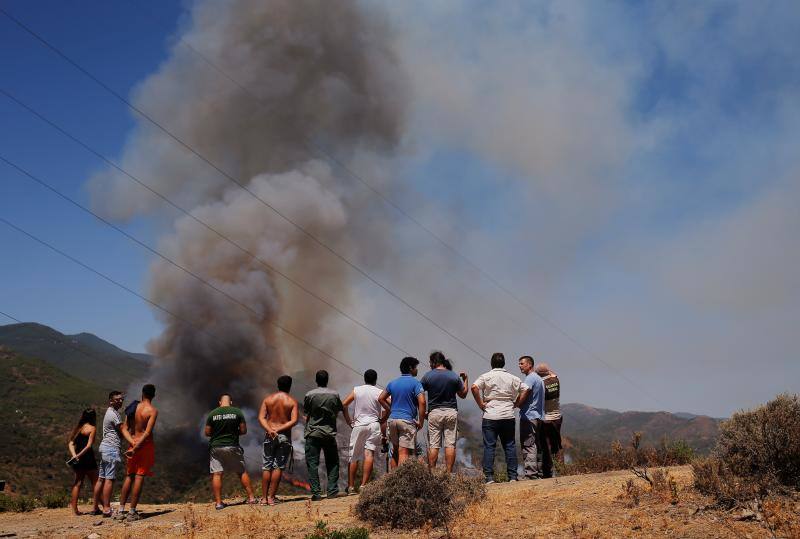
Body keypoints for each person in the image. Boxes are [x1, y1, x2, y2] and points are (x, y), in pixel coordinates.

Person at [471, 353, 527, 483]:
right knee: (510, 445)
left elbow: (474, 387)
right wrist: (517, 403)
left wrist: (480, 404)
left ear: (491, 363)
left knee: (489, 446)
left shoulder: (486, 376)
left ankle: (489, 477)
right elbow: (526, 389)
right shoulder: (512, 377)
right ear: (504, 363)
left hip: (490, 414)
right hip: (508, 414)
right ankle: (513, 477)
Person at [304, 370, 351, 500]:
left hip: (313, 434)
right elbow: (339, 409)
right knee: (333, 463)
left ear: (316, 380)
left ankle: (316, 493)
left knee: (312, 464)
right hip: (329, 434)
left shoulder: (309, 395)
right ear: (327, 380)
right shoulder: (334, 395)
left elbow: (307, 412)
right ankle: (332, 491)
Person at [205, 393, 257, 510]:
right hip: (233, 446)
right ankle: (252, 498)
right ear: (231, 402)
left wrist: (219, 434)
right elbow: (243, 431)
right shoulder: (237, 412)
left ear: (219, 402)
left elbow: (207, 433)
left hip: (216, 447)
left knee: (217, 474)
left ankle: (218, 503)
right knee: (241, 472)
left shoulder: (212, 414)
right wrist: (233, 433)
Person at [116, 384, 158, 521]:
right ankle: (132, 512)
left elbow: (124, 428)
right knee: (139, 477)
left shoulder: (133, 407)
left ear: (142, 393)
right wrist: (137, 447)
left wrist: (132, 443)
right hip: (144, 446)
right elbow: (147, 433)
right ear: (153, 396)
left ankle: (120, 510)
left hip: (132, 443)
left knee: (129, 476)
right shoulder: (152, 411)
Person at [421, 351, 468, 472]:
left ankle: (432, 473)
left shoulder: (428, 376)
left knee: (434, 445)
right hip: (451, 412)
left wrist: (423, 413)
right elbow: (463, 394)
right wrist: (466, 380)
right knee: (450, 445)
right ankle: (448, 473)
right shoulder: (453, 376)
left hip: (434, 413)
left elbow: (419, 394)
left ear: (433, 362)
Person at [342, 369, 387, 494]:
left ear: (364, 379)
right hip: (374, 425)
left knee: (353, 456)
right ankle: (364, 486)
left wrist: (349, 421)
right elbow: (388, 407)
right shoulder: (379, 392)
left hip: (358, 425)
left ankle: (350, 487)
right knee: (369, 454)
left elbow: (344, 404)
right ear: (375, 380)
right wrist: (383, 420)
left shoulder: (357, 390)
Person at [259, 375, 299, 506]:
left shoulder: (268, 399)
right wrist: (280, 428)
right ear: (290, 386)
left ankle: (264, 499)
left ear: (278, 385)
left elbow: (261, 417)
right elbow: (294, 421)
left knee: (267, 467)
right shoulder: (292, 401)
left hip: (269, 436)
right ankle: (271, 498)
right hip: (284, 436)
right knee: (278, 467)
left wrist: (270, 429)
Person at [379, 356, 426, 469]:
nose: (417, 370)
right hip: (406, 421)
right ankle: (400, 483)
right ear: (411, 368)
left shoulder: (392, 383)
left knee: (394, 451)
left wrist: (390, 410)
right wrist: (421, 421)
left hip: (392, 420)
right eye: (416, 367)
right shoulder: (416, 384)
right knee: (404, 452)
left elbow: (381, 398)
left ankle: (393, 481)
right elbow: (422, 402)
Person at [93, 391, 124, 517]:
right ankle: (106, 509)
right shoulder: (114, 414)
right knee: (109, 479)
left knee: (101, 479)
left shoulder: (110, 412)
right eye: (117, 400)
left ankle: (95, 507)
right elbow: (122, 430)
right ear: (111, 401)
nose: (120, 401)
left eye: (121, 399)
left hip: (105, 447)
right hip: (111, 448)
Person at [67, 408, 100, 516]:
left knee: (77, 483)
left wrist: (75, 456)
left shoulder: (78, 428)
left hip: (78, 459)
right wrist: (80, 455)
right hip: (88, 458)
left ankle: (75, 510)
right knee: (95, 482)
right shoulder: (92, 428)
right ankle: (96, 507)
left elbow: (71, 443)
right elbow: (89, 446)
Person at [518, 355, 545, 480]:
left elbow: (524, 394)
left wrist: (515, 404)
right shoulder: (539, 379)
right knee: (536, 445)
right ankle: (539, 473)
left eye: (522, 363)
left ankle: (530, 474)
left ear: (529, 364)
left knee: (528, 445)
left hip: (528, 417)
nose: (520, 366)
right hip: (538, 416)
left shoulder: (529, 379)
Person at [535, 362, 562, 478]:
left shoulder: (541, 384)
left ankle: (547, 473)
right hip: (557, 418)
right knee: (557, 444)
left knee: (546, 446)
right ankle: (561, 469)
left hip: (546, 419)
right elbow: (552, 374)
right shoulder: (556, 380)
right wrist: (547, 371)